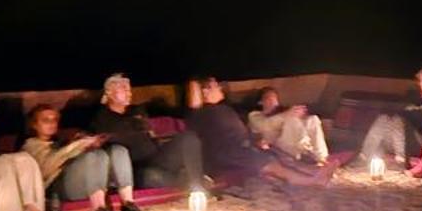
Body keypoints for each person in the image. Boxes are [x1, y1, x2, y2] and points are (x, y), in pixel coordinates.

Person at [186, 77, 334, 184]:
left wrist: (256, 140)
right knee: (270, 163)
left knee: (275, 155)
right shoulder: (203, 113)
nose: (220, 88)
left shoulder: (224, 109)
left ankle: (315, 171)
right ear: (205, 92)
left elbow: (240, 131)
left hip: (241, 147)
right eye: (215, 86)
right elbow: (224, 136)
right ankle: (312, 181)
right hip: (227, 153)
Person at [22, 104, 142, 211]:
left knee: (118, 150)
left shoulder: (60, 142)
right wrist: (79, 145)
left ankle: (128, 203)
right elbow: (47, 166)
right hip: (59, 188)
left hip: (88, 182)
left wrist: (86, 142)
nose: (51, 123)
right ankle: (99, 209)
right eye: (45, 120)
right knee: (94, 156)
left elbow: (69, 153)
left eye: (54, 120)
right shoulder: (30, 146)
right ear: (34, 124)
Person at [91, 74, 205, 190]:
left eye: (129, 89)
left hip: (157, 157)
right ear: (109, 93)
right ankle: (184, 182)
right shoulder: (102, 117)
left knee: (188, 138)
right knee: (152, 177)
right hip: (136, 168)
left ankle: (197, 184)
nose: (129, 93)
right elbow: (107, 140)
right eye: (124, 89)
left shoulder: (137, 110)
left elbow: (175, 113)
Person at [246, 86, 331, 165]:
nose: (273, 100)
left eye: (275, 98)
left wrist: (301, 116)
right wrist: (287, 114)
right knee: (291, 119)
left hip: (293, 143)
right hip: (275, 146)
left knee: (313, 119)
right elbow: (265, 126)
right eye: (268, 98)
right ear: (260, 102)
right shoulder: (254, 115)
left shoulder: (282, 112)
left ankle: (321, 157)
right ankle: (306, 152)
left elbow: (300, 124)